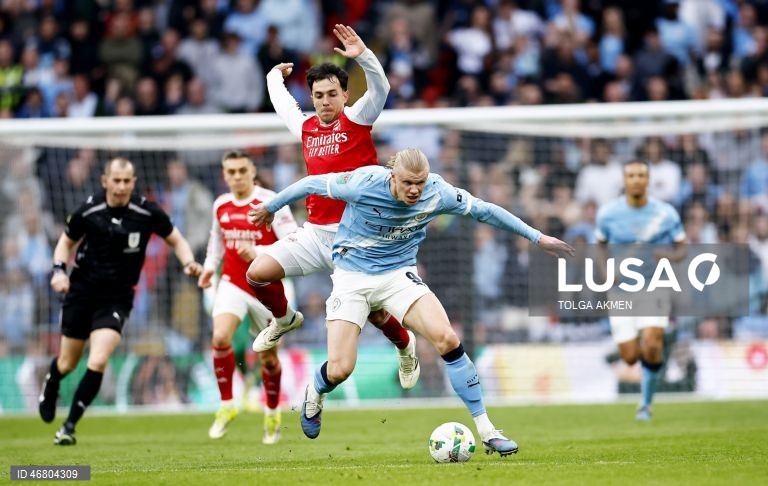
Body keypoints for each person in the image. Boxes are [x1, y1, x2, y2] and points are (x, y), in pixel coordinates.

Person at [248, 148, 573, 455]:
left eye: (419, 182)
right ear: (392, 175)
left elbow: (485, 210)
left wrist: (537, 237)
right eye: (407, 183)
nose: (415, 190)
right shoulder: (364, 181)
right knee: (341, 369)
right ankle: (314, 391)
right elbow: (310, 183)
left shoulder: (437, 191)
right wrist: (271, 206)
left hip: (398, 275)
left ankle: (488, 431)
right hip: (351, 278)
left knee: (447, 338)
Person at [247, 24, 419, 389]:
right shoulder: (307, 127)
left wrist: (366, 57)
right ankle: (283, 319)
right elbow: (283, 107)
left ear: (345, 94)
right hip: (316, 235)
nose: (324, 101)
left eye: (331, 94)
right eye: (318, 95)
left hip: (358, 240)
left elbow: (382, 88)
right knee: (258, 272)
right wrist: (273, 77)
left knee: (374, 314)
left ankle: (405, 346)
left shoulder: (358, 119)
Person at [39, 157, 204, 445]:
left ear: (134, 183)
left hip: (116, 298)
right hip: (81, 293)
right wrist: (58, 272)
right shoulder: (90, 210)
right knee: (67, 363)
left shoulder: (146, 211)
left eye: (127, 181)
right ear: (105, 181)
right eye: (116, 180)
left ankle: (68, 426)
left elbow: (175, 238)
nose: (121, 186)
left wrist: (189, 262)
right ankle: (51, 384)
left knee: (99, 359)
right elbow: (65, 242)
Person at [198, 150, 298, 443]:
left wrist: (259, 253)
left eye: (242, 170)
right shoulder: (221, 205)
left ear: (252, 170)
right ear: (224, 174)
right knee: (220, 338)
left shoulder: (272, 202)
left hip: (266, 287)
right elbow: (217, 240)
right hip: (232, 283)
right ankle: (227, 404)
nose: (237, 176)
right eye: (231, 172)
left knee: (267, 359)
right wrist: (208, 268)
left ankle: (271, 411)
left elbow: (293, 244)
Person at [595, 159, 687, 422]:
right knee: (631, 357)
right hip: (621, 291)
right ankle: (638, 365)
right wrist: (605, 272)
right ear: (624, 180)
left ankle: (645, 405)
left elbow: (683, 248)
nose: (636, 179)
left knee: (652, 343)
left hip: (654, 286)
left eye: (641, 175)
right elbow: (600, 246)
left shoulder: (666, 213)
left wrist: (668, 255)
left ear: (648, 180)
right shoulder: (608, 214)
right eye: (631, 175)